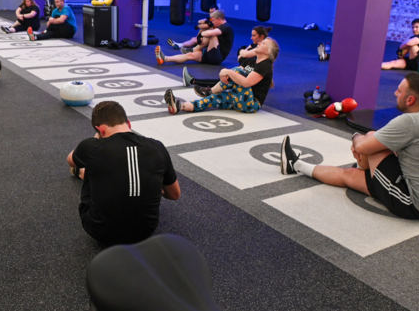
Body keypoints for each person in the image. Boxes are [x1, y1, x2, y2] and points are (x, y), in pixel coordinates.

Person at [281, 73, 419, 220]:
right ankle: (295, 165)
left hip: (413, 202)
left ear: (410, 99)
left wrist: (356, 137)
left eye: (399, 91)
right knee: (350, 175)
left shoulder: (411, 121)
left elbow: (365, 147)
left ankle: (362, 166)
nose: (396, 93)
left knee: (370, 140)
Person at [67, 101, 181, 246]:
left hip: (100, 231)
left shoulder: (91, 147)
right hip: (146, 231)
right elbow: (174, 194)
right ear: (128, 123)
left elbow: (70, 160)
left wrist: (97, 138)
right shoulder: (157, 147)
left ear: (100, 130)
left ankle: (83, 173)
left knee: (92, 164)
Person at [164, 37, 278, 115]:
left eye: (262, 43)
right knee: (212, 100)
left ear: (267, 52)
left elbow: (246, 83)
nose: (258, 43)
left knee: (237, 72)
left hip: (251, 104)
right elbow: (235, 76)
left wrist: (227, 72)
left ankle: (211, 90)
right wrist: (227, 74)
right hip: (238, 97)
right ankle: (180, 106)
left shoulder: (265, 65)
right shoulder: (252, 61)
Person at [181, 26, 272, 96]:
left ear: (262, 36)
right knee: (224, 78)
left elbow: (243, 56)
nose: (251, 38)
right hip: (246, 69)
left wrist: (242, 53)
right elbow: (241, 57)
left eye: (254, 35)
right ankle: (194, 81)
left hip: (249, 74)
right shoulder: (254, 46)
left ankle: (194, 81)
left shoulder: (260, 50)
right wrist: (242, 54)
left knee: (226, 79)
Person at [156, 9, 234, 66]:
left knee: (211, 33)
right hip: (210, 53)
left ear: (219, 19)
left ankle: (194, 49)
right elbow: (202, 22)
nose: (213, 22)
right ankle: (165, 58)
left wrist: (201, 34)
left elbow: (211, 33)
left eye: (213, 21)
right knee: (189, 55)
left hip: (217, 56)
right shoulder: (219, 26)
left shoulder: (227, 27)